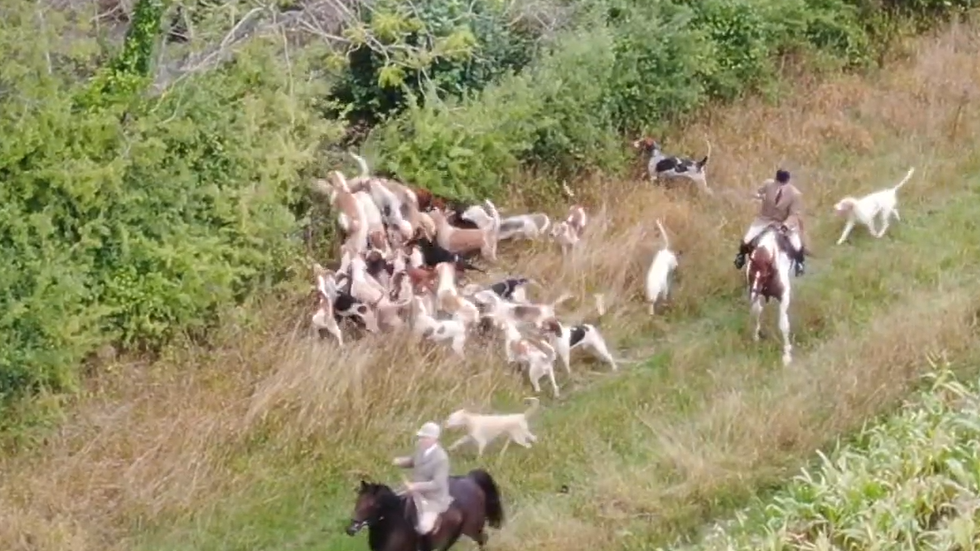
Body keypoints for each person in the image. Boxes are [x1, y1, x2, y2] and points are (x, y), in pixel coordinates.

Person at [734, 169, 807, 276]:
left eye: (780, 183)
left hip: (782, 223)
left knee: (797, 244)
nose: (777, 185)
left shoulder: (795, 194)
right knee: (747, 239)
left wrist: (785, 226)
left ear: (787, 181)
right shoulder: (768, 184)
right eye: (776, 182)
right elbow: (757, 191)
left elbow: (794, 214)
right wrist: (757, 195)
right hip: (764, 220)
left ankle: (799, 264)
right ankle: (740, 256)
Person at [393, 421, 453, 551]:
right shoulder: (421, 449)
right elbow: (413, 461)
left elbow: (438, 484)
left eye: (424, 437)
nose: (421, 440)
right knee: (391, 500)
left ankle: (426, 547)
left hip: (432, 499)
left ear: (434, 439)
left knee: (424, 527)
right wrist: (398, 461)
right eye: (420, 437)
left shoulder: (441, 458)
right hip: (413, 491)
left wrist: (415, 486)